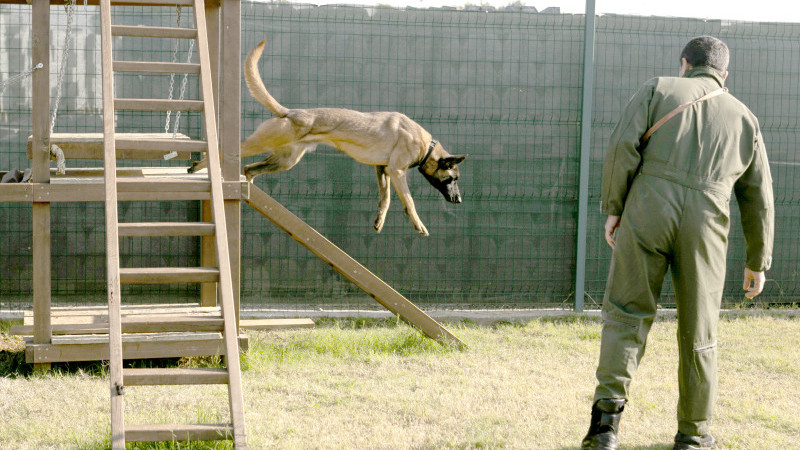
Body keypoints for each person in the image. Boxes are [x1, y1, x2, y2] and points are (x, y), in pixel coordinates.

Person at [582, 36, 774, 450]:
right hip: (708, 222)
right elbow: (758, 197)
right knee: (699, 327)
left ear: (685, 64)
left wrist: (615, 207)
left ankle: (604, 430)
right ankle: (693, 434)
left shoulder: (657, 88)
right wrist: (758, 260)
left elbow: (621, 147)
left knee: (626, 314)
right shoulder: (745, 118)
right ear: (725, 76)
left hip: (648, 209)